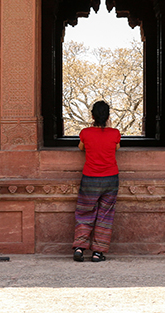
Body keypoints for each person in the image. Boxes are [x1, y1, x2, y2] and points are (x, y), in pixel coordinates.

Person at [72, 100, 121, 262]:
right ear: (108, 116)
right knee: (105, 215)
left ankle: (79, 247)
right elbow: (117, 148)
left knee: (85, 212)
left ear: (92, 115)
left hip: (90, 178)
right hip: (110, 178)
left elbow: (81, 147)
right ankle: (98, 252)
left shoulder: (85, 133)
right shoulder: (115, 133)